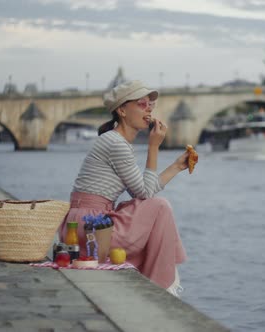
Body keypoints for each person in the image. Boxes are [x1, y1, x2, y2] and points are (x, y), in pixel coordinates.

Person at [58, 80, 188, 296]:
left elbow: (144, 189)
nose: (149, 109)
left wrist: (176, 167)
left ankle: (159, 285)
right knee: (160, 207)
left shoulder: (117, 142)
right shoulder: (116, 144)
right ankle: (162, 289)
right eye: (142, 103)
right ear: (122, 110)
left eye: (151, 105)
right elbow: (145, 193)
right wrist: (153, 146)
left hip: (86, 223)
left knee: (155, 208)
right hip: (90, 226)